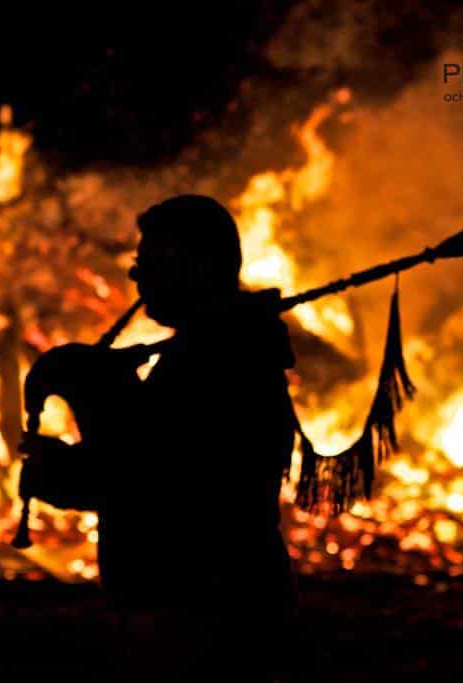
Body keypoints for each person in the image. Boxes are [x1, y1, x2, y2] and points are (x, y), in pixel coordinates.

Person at [19, 194, 299, 681]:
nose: (135, 275)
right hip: (211, 605)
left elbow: (147, 480)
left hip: (199, 615)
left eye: (149, 260)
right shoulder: (220, 350)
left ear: (194, 265)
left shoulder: (217, 363)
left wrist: (63, 456)